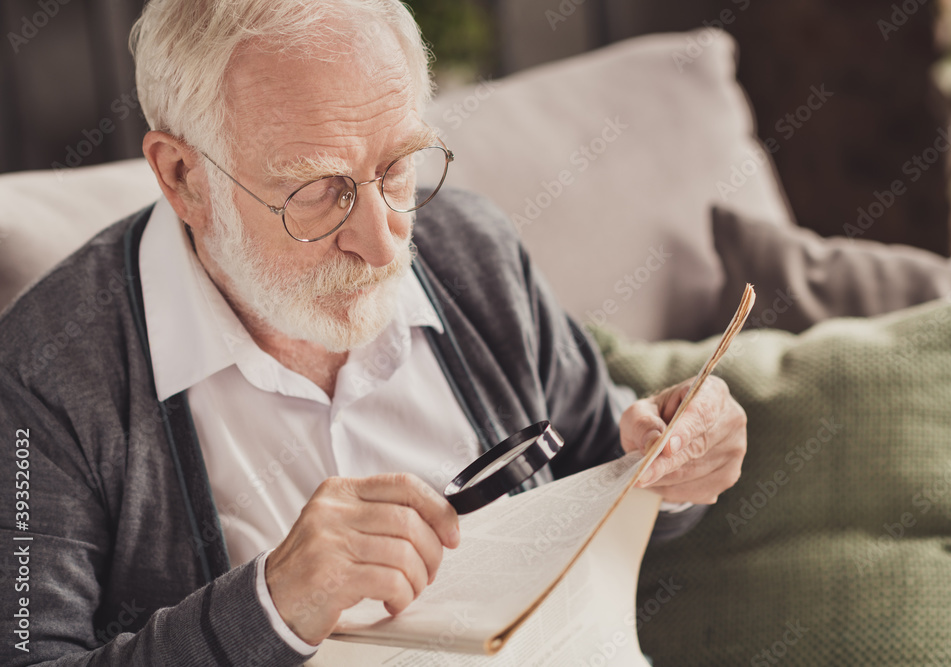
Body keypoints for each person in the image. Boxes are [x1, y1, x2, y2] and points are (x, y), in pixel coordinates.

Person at [0, 1, 747, 665]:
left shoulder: (473, 251)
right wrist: (269, 606)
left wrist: (673, 464)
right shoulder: (40, 377)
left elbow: (599, 459)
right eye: (316, 191)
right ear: (182, 177)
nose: (386, 244)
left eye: (397, 167)